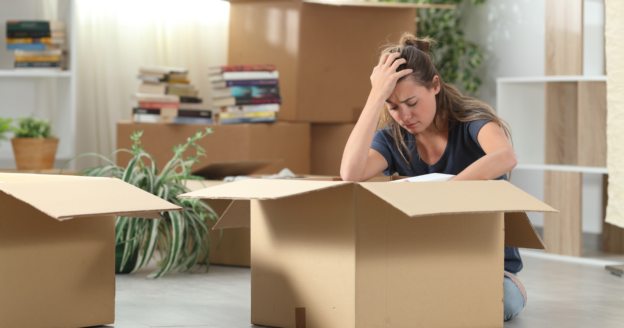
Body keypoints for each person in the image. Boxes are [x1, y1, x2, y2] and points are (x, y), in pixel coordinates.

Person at [340, 33, 525, 321]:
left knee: (505, 303)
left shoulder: (471, 121)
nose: (405, 115)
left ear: (435, 85)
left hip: (485, 262)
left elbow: (505, 157)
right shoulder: (392, 140)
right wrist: (375, 96)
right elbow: (350, 173)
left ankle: (509, 286)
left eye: (412, 102)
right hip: (426, 259)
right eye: (393, 106)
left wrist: (439, 196)